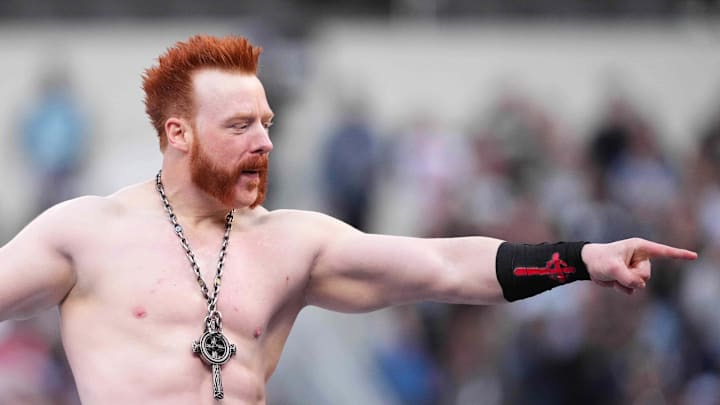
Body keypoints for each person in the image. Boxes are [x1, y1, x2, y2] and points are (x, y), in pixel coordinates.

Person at [0, 35, 697, 404]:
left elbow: (445, 266)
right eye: (240, 125)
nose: (265, 143)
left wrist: (580, 258)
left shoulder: (292, 242)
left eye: (267, 124)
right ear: (179, 134)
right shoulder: (85, 233)